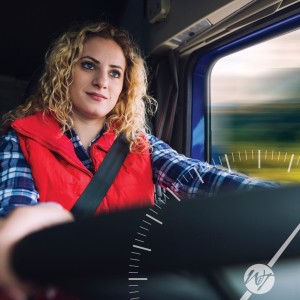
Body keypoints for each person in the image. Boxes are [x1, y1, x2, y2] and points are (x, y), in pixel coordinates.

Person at [0, 21, 277, 299]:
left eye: (115, 73)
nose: (102, 81)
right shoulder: (22, 139)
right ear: (64, 73)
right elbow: (16, 212)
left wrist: (271, 199)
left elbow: (197, 176)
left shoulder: (138, 144)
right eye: (88, 65)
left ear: (124, 85)